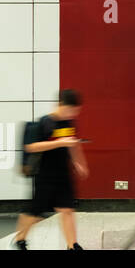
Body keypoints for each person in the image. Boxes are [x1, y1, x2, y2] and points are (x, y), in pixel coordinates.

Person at [14, 89, 87, 250]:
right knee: (35, 213)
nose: (72, 114)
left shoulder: (69, 123)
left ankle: (72, 245)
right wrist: (60, 142)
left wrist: (79, 163)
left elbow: (73, 145)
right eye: (70, 110)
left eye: (75, 111)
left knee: (67, 209)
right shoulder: (45, 122)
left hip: (63, 174)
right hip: (45, 174)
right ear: (60, 105)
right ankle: (20, 238)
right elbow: (31, 147)